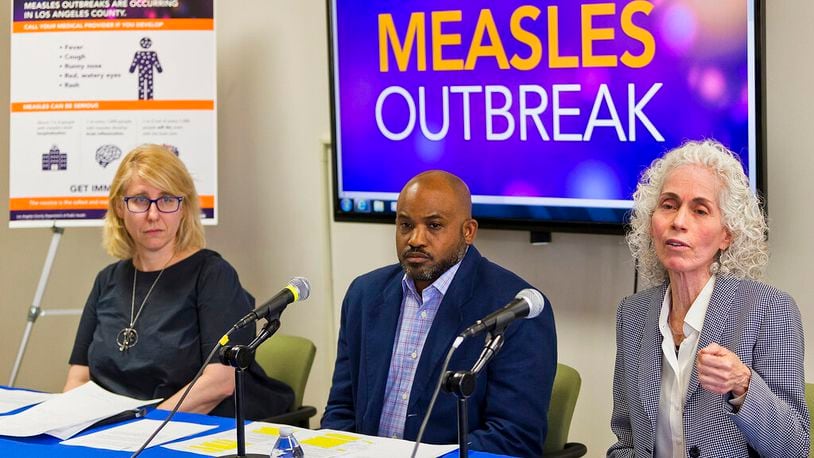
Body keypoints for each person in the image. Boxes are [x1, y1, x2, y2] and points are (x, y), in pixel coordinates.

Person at [321, 170, 557, 456]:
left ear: (468, 231)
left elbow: (514, 437)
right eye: (405, 225)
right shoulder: (364, 295)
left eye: (433, 226)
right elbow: (342, 410)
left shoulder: (514, 310)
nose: (415, 239)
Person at [608, 140, 809, 457]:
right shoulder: (632, 313)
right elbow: (626, 441)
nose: (678, 221)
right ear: (651, 222)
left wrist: (743, 384)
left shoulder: (769, 308)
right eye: (669, 205)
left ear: (726, 234)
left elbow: (793, 447)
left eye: (700, 210)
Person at [64, 144, 293, 420]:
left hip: (182, 430)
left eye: (167, 200)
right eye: (139, 200)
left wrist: (145, 427)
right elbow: (77, 379)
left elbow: (219, 383)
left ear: (183, 208)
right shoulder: (107, 281)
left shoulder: (212, 275)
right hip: (114, 432)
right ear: (119, 208)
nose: (153, 214)